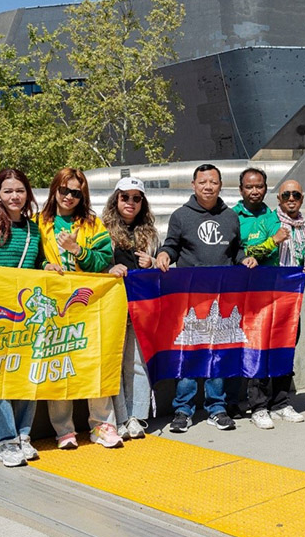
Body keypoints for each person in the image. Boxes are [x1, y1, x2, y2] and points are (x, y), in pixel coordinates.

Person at [155, 164, 258, 432]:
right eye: (203, 182)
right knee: (189, 353)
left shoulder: (230, 217)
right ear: (193, 185)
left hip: (223, 300)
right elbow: (172, 246)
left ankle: (217, 407)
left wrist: (244, 259)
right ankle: (183, 409)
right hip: (190, 300)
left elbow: (236, 251)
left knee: (218, 355)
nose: (208, 186)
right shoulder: (181, 216)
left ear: (220, 185)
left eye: (213, 181)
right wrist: (164, 255)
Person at [0, 168, 52, 467]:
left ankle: (23, 434)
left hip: (27, 315)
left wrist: (47, 267)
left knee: (29, 375)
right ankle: (5, 440)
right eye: (8, 191)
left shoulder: (32, 229)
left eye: (20, 190)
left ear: (28, 193)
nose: (14, 196)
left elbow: (38, 260)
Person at [38, 168, 116, 450]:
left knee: (94, 362)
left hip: (90, 303)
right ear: (54, 190)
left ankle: (102, 425)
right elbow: (31, 261)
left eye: (76, 192)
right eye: (64, 190)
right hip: (54, 306)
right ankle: (64, 430)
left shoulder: (93, 224)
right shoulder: (40, 223)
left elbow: (104, 260)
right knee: (58, 363)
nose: (69, 197)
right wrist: (45, 265)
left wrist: (76, 249)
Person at [233, 169, 305, 429]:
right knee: (259, 350)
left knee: (285, 347)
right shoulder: (250, 219)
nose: (255, 191)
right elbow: (243, 253)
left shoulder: (288, 223)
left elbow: (298, 253)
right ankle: (259, 406)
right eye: (250, 187)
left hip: (287, 298)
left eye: (259, 186)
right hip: (257, 297)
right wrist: (271, 243)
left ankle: (281, 402)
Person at [103, 177, 159, 441]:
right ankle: (121, 418)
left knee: (137, 363)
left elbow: (163, 267)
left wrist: (153, 261)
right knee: (115, 363)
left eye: (137, 198)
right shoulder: (102, 229)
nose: (131, 203)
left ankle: (137, 417)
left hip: (141, 306)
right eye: (125, 197)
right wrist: (109, 269)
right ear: (116, 198)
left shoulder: (150, 233)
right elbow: (94, 264)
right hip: (112, 305)